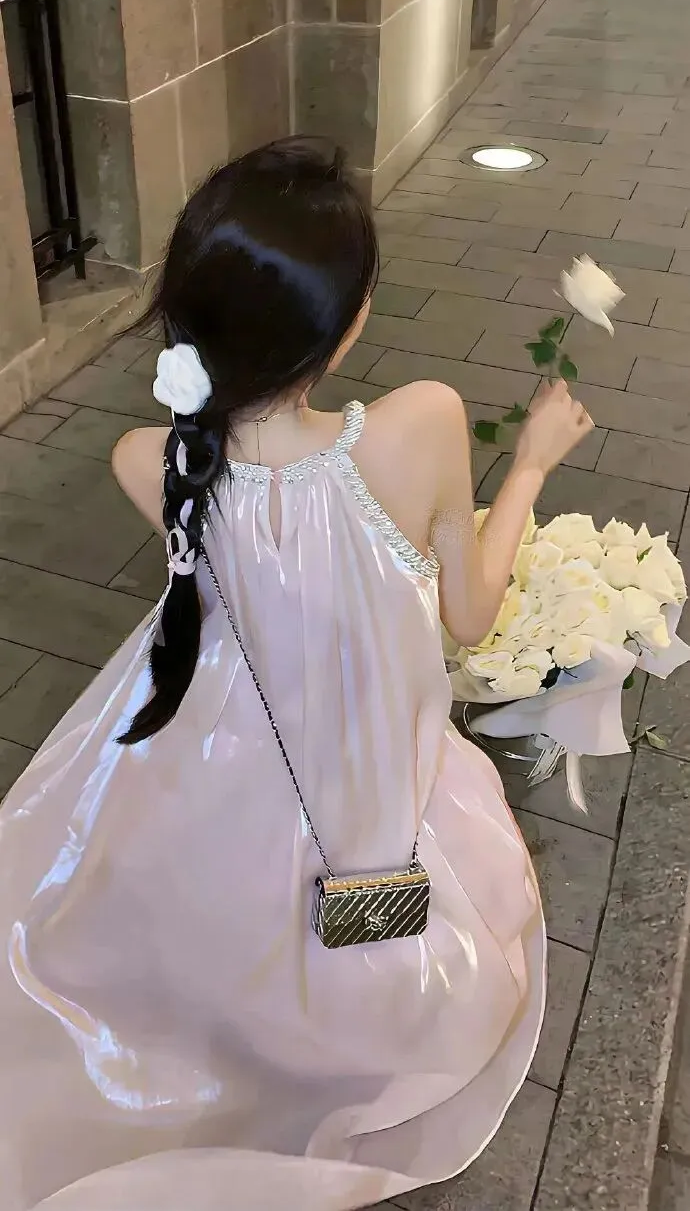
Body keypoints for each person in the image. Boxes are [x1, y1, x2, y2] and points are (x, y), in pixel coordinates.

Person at [0, 139, 593, 1211]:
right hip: (368, 768)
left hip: (222, 750)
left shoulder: (149, 460)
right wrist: (534, 464)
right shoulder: (421, 424)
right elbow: (470, 618)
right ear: (346, 321)